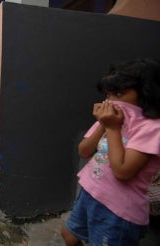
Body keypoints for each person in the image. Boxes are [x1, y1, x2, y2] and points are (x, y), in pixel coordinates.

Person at [61, 58, 160, 245]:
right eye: (108, 95)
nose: (111, 101)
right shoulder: (111, 120)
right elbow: (84, 151)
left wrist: (113, 129)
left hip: (119, 210)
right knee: (69, 235)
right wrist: (103, 125)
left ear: (146, 93)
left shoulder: (151, 129)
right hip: (91, 193)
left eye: (119, 93)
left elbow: (122, 172)